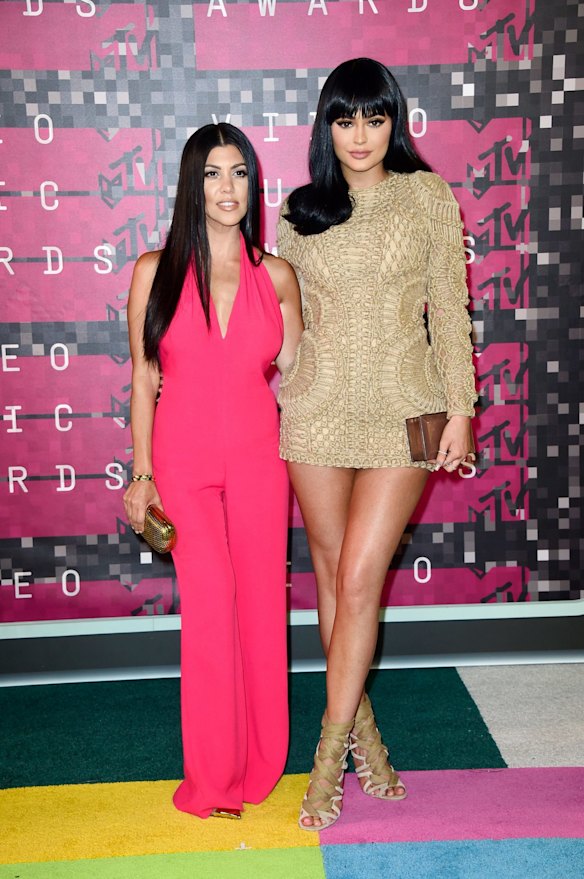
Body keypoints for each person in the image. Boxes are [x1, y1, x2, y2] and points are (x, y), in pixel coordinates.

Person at [277, 58, 477, 830]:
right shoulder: (299, 212)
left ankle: (327, 759)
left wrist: (461, 409)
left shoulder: (426, 196)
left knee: (359, 577)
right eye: (344, 119)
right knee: (331, 578)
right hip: (316, 414)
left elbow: (450, 311)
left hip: (406, 412)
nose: (360, 136)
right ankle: (367, 739)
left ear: (395, 122)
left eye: (375, 118)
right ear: (326, 127)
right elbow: (279, 322)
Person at [123, 123, 303, 820]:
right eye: (212, 175)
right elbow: (143, 377)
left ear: (254, 185)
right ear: (191, 186)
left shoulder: (276, 273)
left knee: (261, 605)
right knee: (208, 609)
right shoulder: (152, 270)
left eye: (240, 174)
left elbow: (296, 377)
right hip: (183, 459)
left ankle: (261, 764)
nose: (228, 189)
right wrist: (141, 473)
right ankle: (213, 778)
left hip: (262, 457)